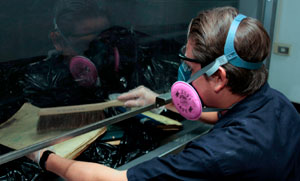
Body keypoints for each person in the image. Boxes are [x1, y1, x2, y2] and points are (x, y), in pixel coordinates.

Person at [27, 6, 300, 180]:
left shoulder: (214, 155)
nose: (183, 71)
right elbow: (226, 118)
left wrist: (46, 158)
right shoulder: (276, 103)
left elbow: (110, 180)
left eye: (188, 64)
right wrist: (160, 104)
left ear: (218, 77)